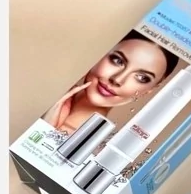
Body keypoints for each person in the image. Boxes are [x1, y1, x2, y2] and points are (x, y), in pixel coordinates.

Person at [42, 31, 179, 135]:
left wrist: (44, 129)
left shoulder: (92, 146)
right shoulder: (45, 89)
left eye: (141, 77)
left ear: (150, 89)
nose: (118, 79)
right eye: (118, 60)